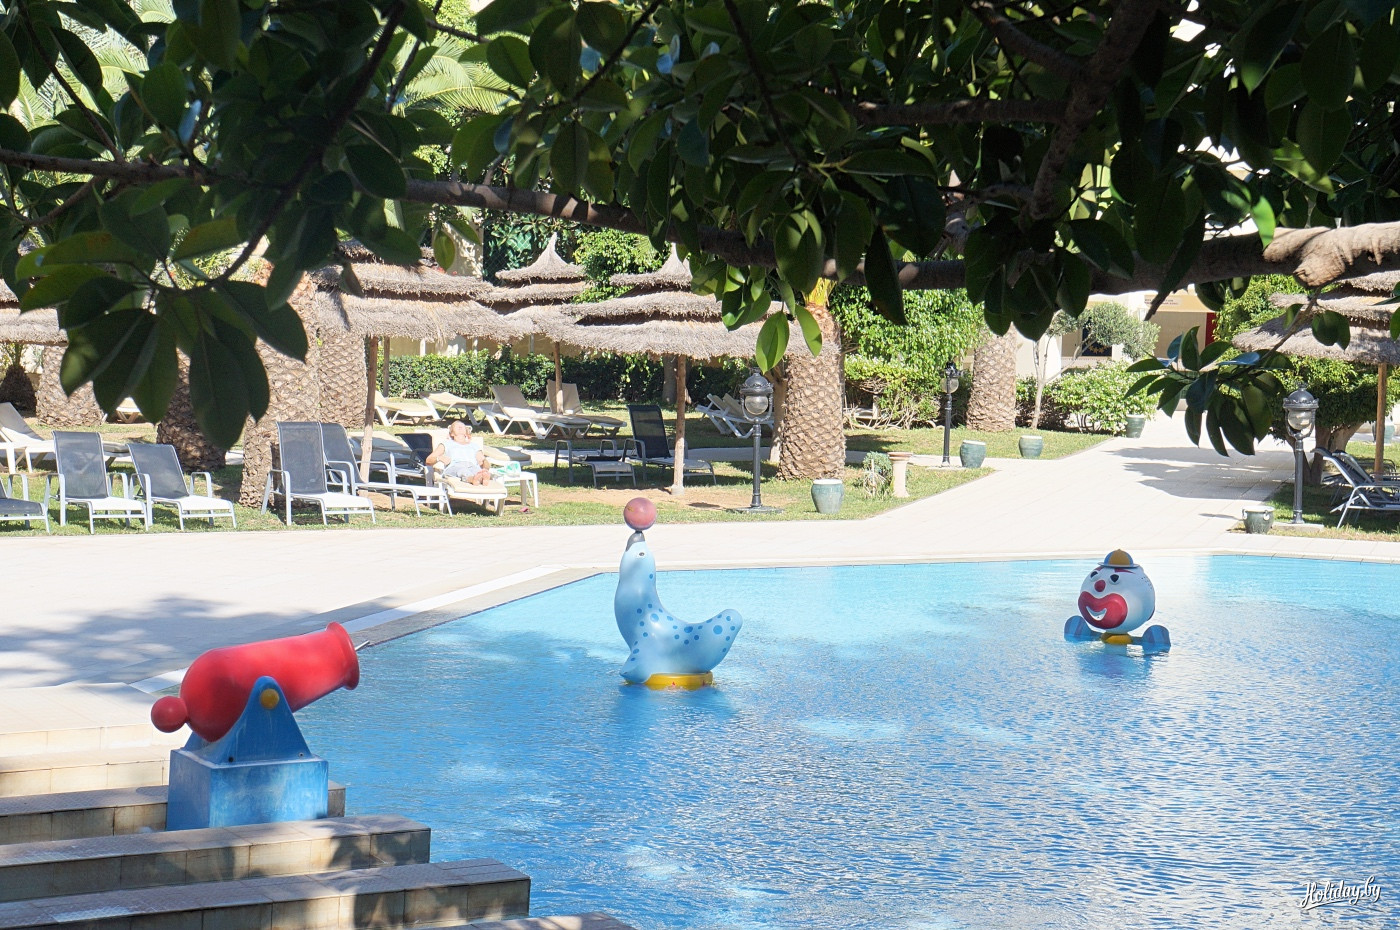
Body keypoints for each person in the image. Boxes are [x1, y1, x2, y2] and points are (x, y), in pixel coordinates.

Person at [426, 420, 492, 485]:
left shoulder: (474, 446)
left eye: (462, 426)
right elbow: (428, 460)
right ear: (452, 433)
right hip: (454, 467)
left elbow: (483, 460)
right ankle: (472, 479)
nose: (460, 426)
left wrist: (485, 469)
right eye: (456, 426)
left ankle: (481, 478)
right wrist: (439, 458)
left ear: (466, 432)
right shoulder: (446, 444)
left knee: (477, 471)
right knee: (462, 470)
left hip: (472, 466)